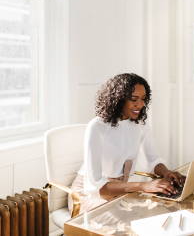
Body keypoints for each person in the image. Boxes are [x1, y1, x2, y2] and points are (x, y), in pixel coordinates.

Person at [68, 73, 185, 215]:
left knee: (159, 212)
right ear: (118, 99)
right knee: (130, 223)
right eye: (134, 99)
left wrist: (166, 172)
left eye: (143, 99)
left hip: (121, 190)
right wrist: (143, 186)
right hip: (89, 194)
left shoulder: (140, 125)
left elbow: (153, 160)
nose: (140, 105)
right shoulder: (97, 127)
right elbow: (97, 186)